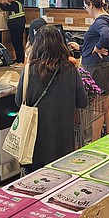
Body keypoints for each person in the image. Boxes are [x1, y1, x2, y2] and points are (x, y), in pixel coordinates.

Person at [15, 26, 88, 173]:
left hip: (35, 145)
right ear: (60, 44)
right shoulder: (70, 69)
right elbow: (82, 101)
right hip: (63, 144)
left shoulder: (29, 69)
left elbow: (18, 101)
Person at [67, 0, 109, 139]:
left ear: (91, 5)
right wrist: (82, 47)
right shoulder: (108, 18)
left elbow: (106, 35)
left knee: (97, 108)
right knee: (106, 104)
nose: (86, 10)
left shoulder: (100, 21)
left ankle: (96, 142)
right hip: (106, 66)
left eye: (85, 7)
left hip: (97, 68)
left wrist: (97, 47)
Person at [0, 0, 26, 65]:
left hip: (16, 27)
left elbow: (6, 8)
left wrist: (0, 4)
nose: (8, 1)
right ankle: (19, 59)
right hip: (19, 25)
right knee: (19, 43)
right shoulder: (19, 3)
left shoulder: (14, 4)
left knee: (17, 43)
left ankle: (20, 60)